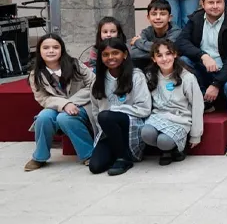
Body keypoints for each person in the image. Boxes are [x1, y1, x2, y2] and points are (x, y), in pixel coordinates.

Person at [175, 0, 227, 156]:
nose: (215, 6)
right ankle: (202, 102)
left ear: (224, 3)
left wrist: (217, 83)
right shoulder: (196, 19)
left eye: (218, 2)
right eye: (211, 2)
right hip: (204, 69)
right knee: (184, 61)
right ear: (203, 4)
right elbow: (180, 43)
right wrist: (202, 55)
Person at [25, 34, 96, 171]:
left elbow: (93, 83)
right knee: (43, 117)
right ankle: (39, 157)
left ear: (62, 49)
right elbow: (43, 98)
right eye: (46, 48)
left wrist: (71, 103)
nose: (51, 51)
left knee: (66, 118)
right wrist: (63, 104)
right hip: (55, 106)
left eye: (55, 47)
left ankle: (89, 154)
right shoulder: (36, 74)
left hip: (81, 104)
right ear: (39, 51)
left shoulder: (75, 65)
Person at [88, 38, 152, 176]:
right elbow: (95, 110)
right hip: (108, 128)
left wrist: (115, 110)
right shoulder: (98, 79)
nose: (110, 57)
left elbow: (145, 108)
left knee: (106, 115)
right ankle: (118, 153)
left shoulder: (136, 76)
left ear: (125, 54)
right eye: (105, 55)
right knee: (95, 167)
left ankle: (124, 158)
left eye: (115, 53)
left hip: (130, 126)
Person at [141, 39, 202, 165]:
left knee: (164, 141)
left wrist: (196, 135)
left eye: (168, 54)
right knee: (145, 133)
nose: (164, 59)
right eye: (159, 55)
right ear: (153, 59)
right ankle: (167, 149)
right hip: (159, 116)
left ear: (175, 54)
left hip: (180, 119)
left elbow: (197, 105)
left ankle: (171, 149)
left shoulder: (187, 77)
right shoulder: (150, 76)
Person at [129, 0, 181, 69]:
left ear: (169, 17)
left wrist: (138, 42)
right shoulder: (146, 31)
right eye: (154, 14)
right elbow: (134, 52)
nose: (158, 17)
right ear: (148, 17)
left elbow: (167, 50)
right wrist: (160, 53)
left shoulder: (176, 32)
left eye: (162, 14)